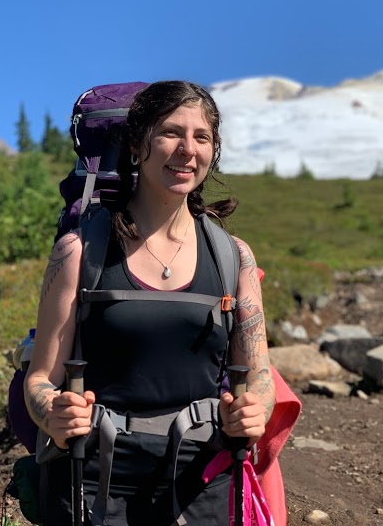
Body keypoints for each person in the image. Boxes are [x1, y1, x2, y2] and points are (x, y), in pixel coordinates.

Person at [24, 80, 276, 525]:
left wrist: (256, 408)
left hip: (202, 483)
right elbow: (41, 378)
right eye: (170, 133)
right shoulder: (78, 251)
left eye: (202, 137)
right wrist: (53, 414)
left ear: (213, 151)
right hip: (92, 479)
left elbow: (259, 375)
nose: (187, 150)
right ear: (137, 145)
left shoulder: (233, 257)